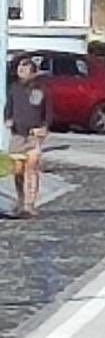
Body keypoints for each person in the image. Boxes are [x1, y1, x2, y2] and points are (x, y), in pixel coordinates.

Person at [5, 56, 51, 218]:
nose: (21, 72)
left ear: (32, 73)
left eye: (24, 70)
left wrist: (45, 127)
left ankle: (30, 204)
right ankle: (20, 199)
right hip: (18, 135)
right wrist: (8, 120)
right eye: (19, 69)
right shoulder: (14, 88)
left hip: (33, 135)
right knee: (18, 170)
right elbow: (8, 108)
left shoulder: (39, 90)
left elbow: (47, 111)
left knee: (31, 169)